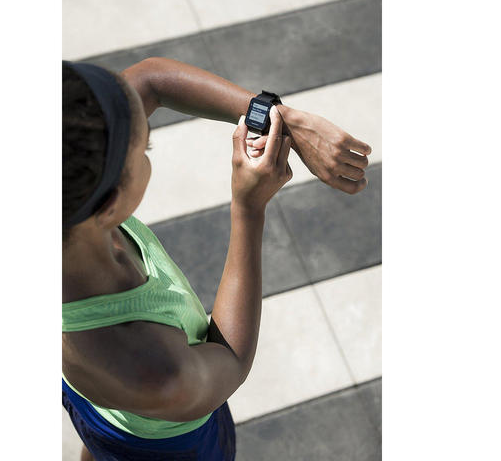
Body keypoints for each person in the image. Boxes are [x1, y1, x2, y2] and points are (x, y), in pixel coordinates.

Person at [62, 58, 371, 460]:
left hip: (98, 399)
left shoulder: (69, 191)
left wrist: (280, 119)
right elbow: (230, 359)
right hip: (163, 446)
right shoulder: (156, 372)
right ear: (109, 206)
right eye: (145, 149)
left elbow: (152, 82)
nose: (146, 148)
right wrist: (249, 208)